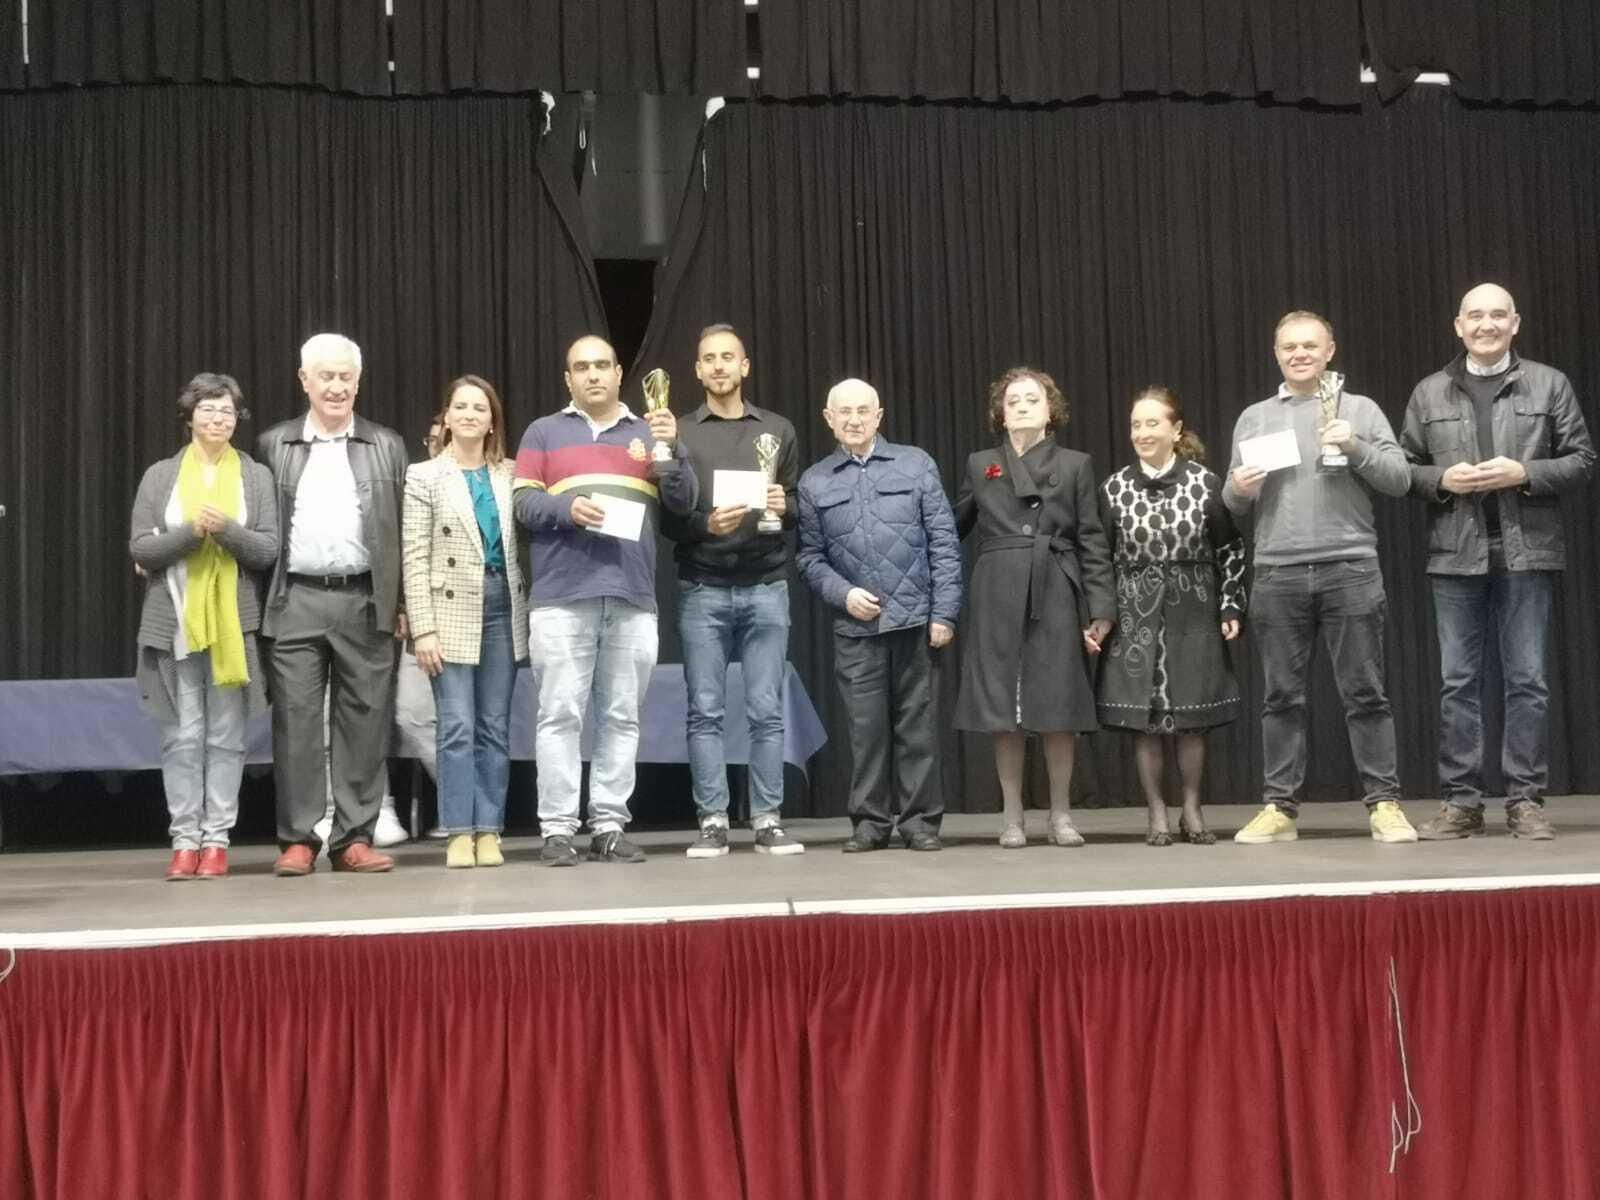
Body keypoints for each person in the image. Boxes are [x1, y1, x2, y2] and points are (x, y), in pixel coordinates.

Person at [1401, 284, 1594, 840]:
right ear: (1457, 326)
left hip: (1526, 551)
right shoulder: (1429, 392)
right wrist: (1440, 479)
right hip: (1454, 554)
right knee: (1457, 681)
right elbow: (1403, 467)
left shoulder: (1549, 382)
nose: (1486, 324)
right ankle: (1461, 803)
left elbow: (1582, 460)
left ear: (1516, 323)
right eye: (1475, 315)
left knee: (1527, 679)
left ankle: (1525, 800)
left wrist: (1526, 472)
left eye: (1497, 314)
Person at [1224, 311, 1417, 844]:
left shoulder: (1360, 409)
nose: (1299, 353)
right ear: (1276, 353)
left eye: (1310, 345)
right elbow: (1232, 501)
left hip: (1350, 567)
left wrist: (1354, 445)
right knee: (1281, 698)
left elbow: (1400, 480)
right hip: (1277, 573)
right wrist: (1239, 487)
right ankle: (1280, 809)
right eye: (1289, 346)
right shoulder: (1255, 417)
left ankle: (1384, 803)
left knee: (1366, 693)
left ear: (1330, 350)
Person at [513, 334, 698, 866]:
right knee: (559, 716)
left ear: (619, 374)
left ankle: (610, 826)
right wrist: (566, 508)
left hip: (632, 596)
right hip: (560, 597)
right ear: (568, 379)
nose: (592, 374)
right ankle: (557, 830)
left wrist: (674, 447)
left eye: (602, 365)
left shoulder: (650, 430)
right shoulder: (543, 432)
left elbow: (683, 506)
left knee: (622, 717)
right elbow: (523, 501)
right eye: (581, 367)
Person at [258, 332, 409, 876]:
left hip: (365, 598)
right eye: (326, 376)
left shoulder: (386, 444)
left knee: (365, 723)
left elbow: (401, 531)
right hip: (294, 597)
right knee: (296, 723)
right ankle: (299, 838)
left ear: (358, 381)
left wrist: (402, 602)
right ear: (305, 381)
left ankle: (354, 839)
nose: (337, 386)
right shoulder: (274, 444)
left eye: (346, 376)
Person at [796, 378, 962, 852]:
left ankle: (920, 824)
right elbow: (809, 558)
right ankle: (869, 824)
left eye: (862, 411)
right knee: (866, 734)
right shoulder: (815, 481)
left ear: (879, 415)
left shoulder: (915, 465)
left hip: (916, 623)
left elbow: (945, 545)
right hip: (856, 628)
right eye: (843, 411)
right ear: (828, 418)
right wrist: (843, 594)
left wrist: (944, 613)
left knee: (917, 731)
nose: (853, 419)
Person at [952, 367, 1113, 849]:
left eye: (1032, 399)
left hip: (1056, 586)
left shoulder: (1076, 463)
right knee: (1005, 705)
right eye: (1013, 400)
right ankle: (1012, 816)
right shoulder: (982, 464)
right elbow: (950, 524)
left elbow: (1092, 539)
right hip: (997, 588)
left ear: (1051, 410)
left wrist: (1102, 607)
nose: (1021, 406)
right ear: (1000, 414)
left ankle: (1061, 815)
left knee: (1058, 701)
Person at [662, 324, 804, 858]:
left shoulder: (779, 430)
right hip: (702, 586)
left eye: (728, 357)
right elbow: (668, 520)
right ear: (697, 371)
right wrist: (705, 525)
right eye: (708, 359)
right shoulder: (679, 433)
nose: (719, 366)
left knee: (767, 708)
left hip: (767, 584)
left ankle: (767, 819)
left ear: (745, 366)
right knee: (705, 709)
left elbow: (795, 505)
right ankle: (713, 821)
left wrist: (781, 504)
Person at [130, 374, 278, 880]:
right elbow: (141, 549)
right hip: (173, 622)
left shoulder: (254, 477)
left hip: (234, 626)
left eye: (228, 412)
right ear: (189, 416)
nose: (219, 419)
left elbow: (266, 550)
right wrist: (191, 533)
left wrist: (228, 530)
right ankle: (183, 840)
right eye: (209, 410)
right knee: (182, 737)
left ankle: (217, 841)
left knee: (227, 737)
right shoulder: (160, 476)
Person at [1099, 387, 1245, 845]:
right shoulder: (1114, 487)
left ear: (1175, 429)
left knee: (1190, 717)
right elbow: (1099, 557)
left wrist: (1231, 603)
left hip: (1193, 609)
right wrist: (1100, 614)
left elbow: (1230, 548)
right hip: (1134, 614)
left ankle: (1192, 807)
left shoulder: (1206, 482)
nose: (1142, 432)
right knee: (1146, 718)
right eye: (1136, 425)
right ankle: (1156, 810)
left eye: (1152, 423)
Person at [403, 376, 529, 867]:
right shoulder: (424, 476)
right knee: (456, 725)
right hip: (449, 609)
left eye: (481, 407)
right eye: (462, 406)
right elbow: (414, 555)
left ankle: (490, 829)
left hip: (502, 602)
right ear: (448, 416)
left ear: (492, 419)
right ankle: (458, 830)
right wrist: (423, 628)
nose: (471, 414)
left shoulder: (512, 474)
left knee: (494, 726)